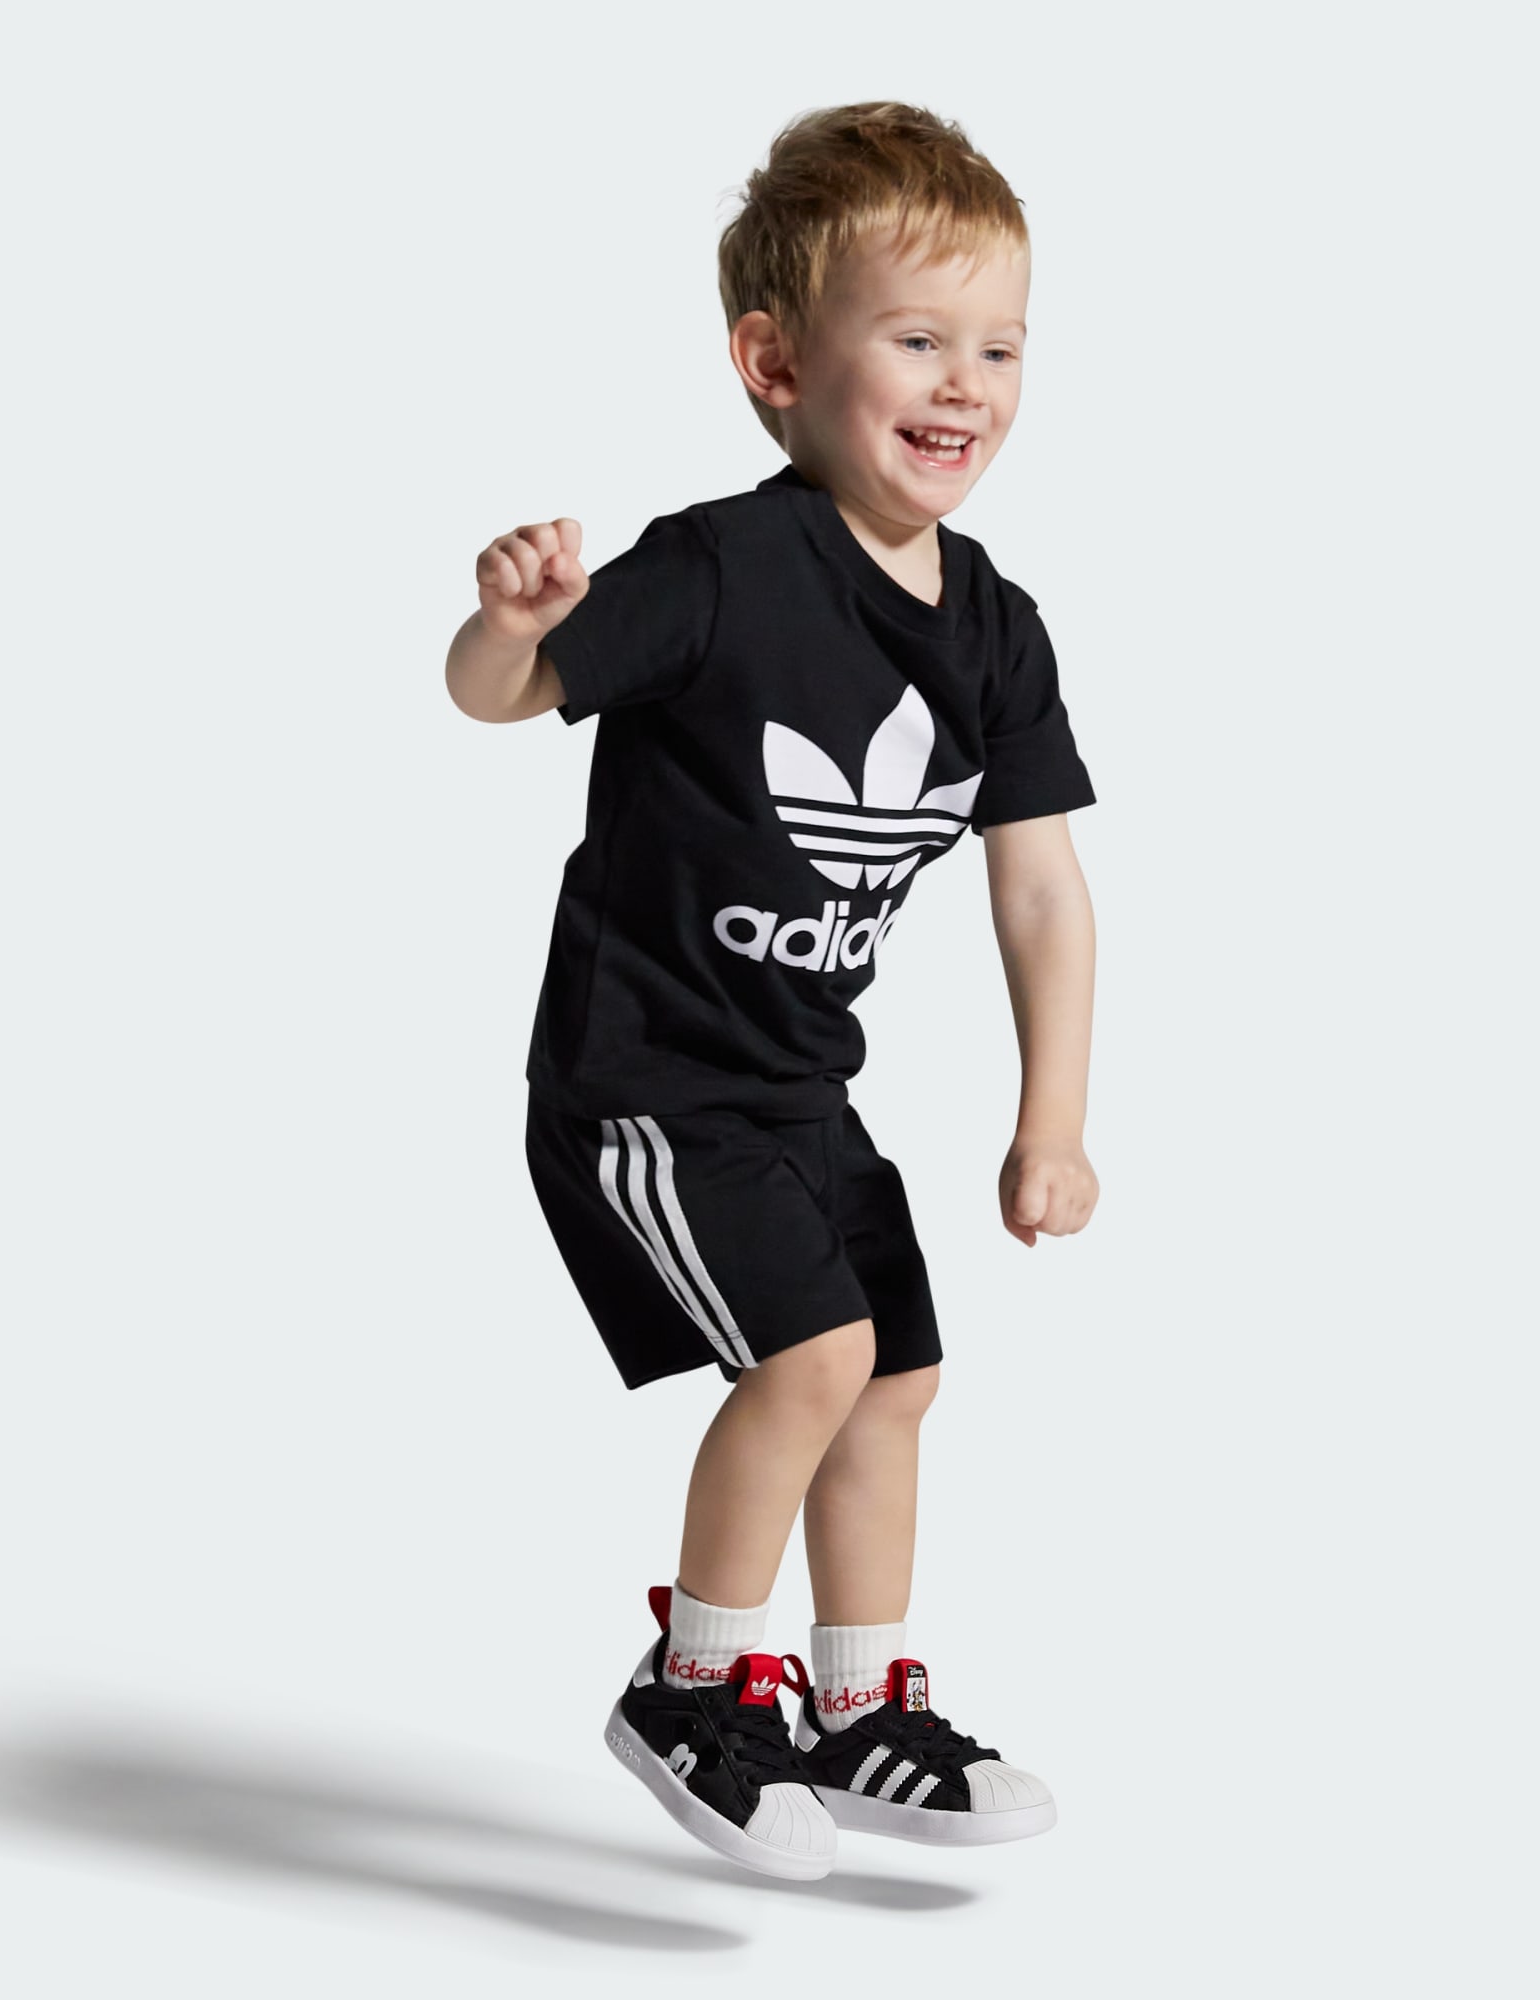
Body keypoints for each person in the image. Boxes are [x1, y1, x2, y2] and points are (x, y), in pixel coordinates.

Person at [444, 102, 1099, 1882]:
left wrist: (1052, 1118)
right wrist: (513, 623)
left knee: (895, 1380)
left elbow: (1041, 884)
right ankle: (694, 1684)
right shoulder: (723, 567)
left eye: (1001, 345)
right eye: (918, 338)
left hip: (804, 1087)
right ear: (777, 364)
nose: (965, 383)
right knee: (812, 1355)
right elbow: (498, 698)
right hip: (645, 1081)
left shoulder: (997, 629)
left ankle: (857, 1706)